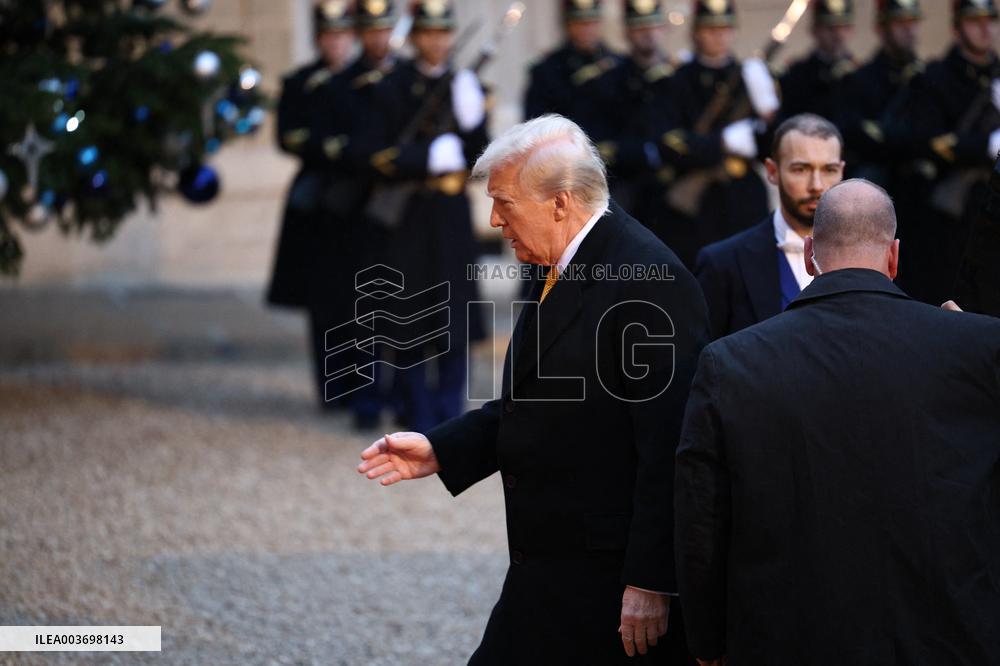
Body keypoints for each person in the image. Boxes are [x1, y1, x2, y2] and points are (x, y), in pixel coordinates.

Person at [358, 115, 710, 664]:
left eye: (504, 202)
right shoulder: (560, 260)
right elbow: (544, 397)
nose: (495, 219)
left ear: (561, 203)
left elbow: (672, 444)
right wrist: (444, 448)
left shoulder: (644, 279)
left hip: (608, 584)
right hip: (550, 572)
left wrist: (651, 582)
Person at [675, 179, 1000, 665]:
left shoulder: (731, 362)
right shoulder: (978, 348)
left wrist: (706, 640)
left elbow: (701, 517)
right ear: (894, 256)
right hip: (948, 639)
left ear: (810, 255)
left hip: (787, 640)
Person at [366, 0, 488, 433]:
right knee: (410, 315)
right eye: (429, 34)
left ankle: (450, 411)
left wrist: (474, 121)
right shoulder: (392, 84)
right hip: (410, 214)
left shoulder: (462, 83)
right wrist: (423, 158)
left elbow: (482, 155)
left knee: (455, 313)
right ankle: (415, 411)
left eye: (444, 33)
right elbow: (377, 153)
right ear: (415, 37)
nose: (437, 42)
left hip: (451, 210)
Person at [266, 1, 359, 413]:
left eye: (342, 35)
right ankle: (332, 389)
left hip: (358, 198)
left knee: (363, 297)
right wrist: (327, 146)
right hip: (318, 200)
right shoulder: (302, 82)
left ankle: (362, 387)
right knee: (323, 302)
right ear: (319, 38)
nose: (336, 43)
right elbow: (287, 136)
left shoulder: (366, 81)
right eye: (329, 36)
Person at [883, 0, 1000, 308]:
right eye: (974, 20)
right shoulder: (936, 77)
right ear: (956, 27)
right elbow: (928, 142)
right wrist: (985, 145)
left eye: (991, 19)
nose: (985, 27)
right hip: (950, 218)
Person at [695, 114, 845, 339]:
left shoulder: (871, 259)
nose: (817, 185)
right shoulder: (723, 264)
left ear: (842, 171)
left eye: (829, 170)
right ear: (773, 171)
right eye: (800, 169)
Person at [656, 0, 777, 268]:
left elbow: (773, 147)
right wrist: (720, 143)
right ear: (697, 32)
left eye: (725, 28)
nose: (719, 35)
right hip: (697, 205)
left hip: (742, 196)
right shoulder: (679, 79)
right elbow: (669, 142)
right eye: (711, 29)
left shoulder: (749, 76)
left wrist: (770, 114)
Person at [600, 0, 677, 239]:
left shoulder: (680, 76)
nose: (647, 33)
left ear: (663, 28)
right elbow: (604, 141)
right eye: (639, 26)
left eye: (653, 26)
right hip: (628, 188)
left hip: (674, 192)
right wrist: (646, 152)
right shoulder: (610, 79)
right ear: (627, 32)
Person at [836, 0, 923, 186]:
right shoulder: (860, 79)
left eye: (913, 22)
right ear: (881, 29)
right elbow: (859, 135)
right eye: (900, 23)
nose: (909, 30)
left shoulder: (927, 76)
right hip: (879, 178)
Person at [523, 0, 622, 143]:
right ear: (568, 25)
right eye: (580, 23)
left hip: (616, 157)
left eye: (592, 22)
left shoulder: (619, 64)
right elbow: (536, 124)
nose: (587, 29)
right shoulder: (547, 70)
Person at [778, 0, 856, 122]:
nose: (838, 35)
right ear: (815, 30)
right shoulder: (797, 75)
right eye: (830, 28)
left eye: (844, 27)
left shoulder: (861, 73)